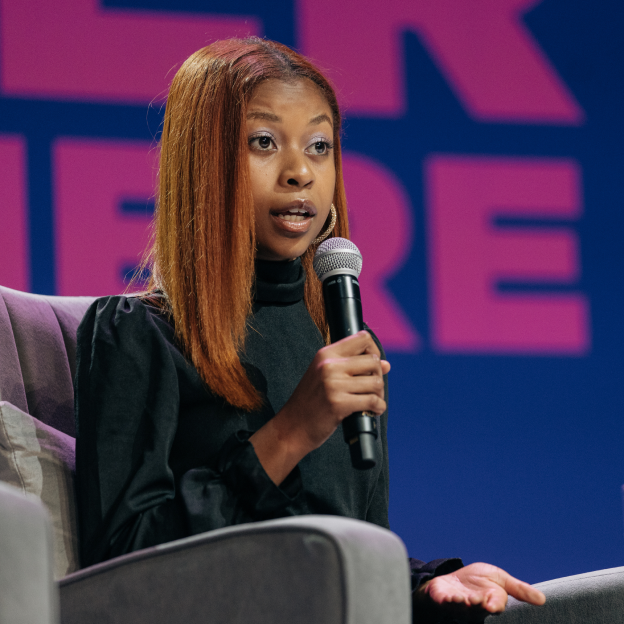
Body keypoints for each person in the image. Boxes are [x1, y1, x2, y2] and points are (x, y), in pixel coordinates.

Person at [74, 37, 545, 621]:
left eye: (319, 146)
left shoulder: (340, 338)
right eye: (264, 142)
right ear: (202, 161)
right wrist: (292, 431)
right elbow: (121, 565)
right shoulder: (138, 336)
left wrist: (427, 584)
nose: (300, 173)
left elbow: (347, 547)